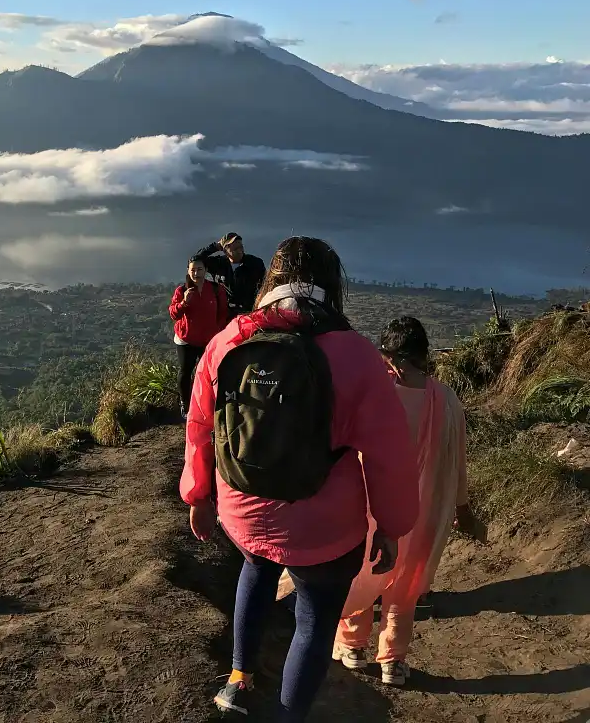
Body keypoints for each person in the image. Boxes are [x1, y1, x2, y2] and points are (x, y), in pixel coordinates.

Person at [179, 236, 420, 721]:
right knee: (313, 618)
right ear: (333, 287)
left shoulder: (231, 340)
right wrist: (392, 526)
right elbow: (388, 454)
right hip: (323, 530)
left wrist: (198, 495)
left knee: (256, 569)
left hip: (244, 509)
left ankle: (239, 679)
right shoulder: (355, 356)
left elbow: (201, 426)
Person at [331, 316, 478, 688]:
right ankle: (393, 662)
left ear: (391, 357)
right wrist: (461, 507)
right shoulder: (446, 400)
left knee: (364, 573)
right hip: (424, 513)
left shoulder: (377, 395)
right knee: (406, 588)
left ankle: (352, 646)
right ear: (424, 355)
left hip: (371, 508)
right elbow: (457, 461)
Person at [169, 255, 229, 419]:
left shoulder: (216, 290)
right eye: (193, 269)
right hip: (186, 339)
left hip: (209, 340)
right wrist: (184, 303)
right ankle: (185, 405)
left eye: (200, 269)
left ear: (206, 270)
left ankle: (209, 405)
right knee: (185, 372)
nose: (196, 273)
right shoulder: (182, 291)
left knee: (210, 373)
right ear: (188, 271)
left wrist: (218, 331)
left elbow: (223, 313)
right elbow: (174, 313)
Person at [194, 233, 267, 317]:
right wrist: (215, 246)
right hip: (224, 315)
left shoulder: (255, 263)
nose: (240, 250)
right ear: (225, 251)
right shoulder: (218, 264)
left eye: (241, 247)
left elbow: (265, 285)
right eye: (235, 248)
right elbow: (196, 260)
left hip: (249, 313)